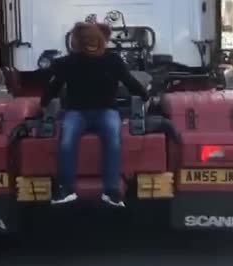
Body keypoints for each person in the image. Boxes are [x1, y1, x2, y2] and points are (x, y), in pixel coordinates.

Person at [40, 21, 150, 207]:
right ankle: (67, 189)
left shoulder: (111, 60)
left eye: (94, 40)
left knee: (112, 141)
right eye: (87, 41)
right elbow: (54, 86)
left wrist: (144, 95)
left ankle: (111, 191)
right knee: (67, 142)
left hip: (103, 111)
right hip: (78, 112)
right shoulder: (68, 63)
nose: (91, 44)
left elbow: (129, 81)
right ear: (80, 42)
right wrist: (44, 102)